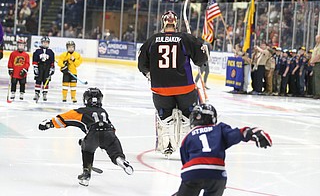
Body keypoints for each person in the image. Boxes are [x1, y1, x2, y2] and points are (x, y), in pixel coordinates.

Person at [138, 10, 208, 155]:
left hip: (160, 88)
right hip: (185, 87)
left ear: (163, 22)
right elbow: (201, 59)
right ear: (175, 23)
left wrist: (150, 74)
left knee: (165, 118)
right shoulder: (184, 38)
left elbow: (141, 64)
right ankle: (185, 147)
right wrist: (200, 48)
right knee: (187, 119)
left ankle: (166, 146)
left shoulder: (152, 40)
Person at [38, 88, 133, 186]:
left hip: (93, 134)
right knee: (115, 153)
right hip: (109, 133)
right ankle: (121, 161)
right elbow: (111, 129)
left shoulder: (81, 112)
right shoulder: (103, 111)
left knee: (87, 150)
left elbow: (62, 119)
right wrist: (102, 142)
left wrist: (48, 124)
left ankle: (86, 174)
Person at [174, 103, 272, 196]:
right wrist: (252, 132)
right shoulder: (219, 129)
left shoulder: (187, 137)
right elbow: (238, 134)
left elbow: (186, 162)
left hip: (193, 171)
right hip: (218, 173)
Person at [32, 36, 55, 102]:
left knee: (46, 80)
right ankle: (37, 93)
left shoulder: (50, 52)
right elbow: (35, 59)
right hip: (40, 67)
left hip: (47, 68)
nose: (45, 44)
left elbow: (52, 61)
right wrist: (35, 67)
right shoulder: (37, 51)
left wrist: (52, 68)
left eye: (46, 42)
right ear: (41, 43)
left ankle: (45, 93)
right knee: (38, 80)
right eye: (44, 42)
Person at [309, 35, 320, 99]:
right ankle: (315, 92)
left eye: (317, 39)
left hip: (318, 63)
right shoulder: (316, 46)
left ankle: (318, 93)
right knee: (314, 78)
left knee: (317, 79)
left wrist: (313, 61)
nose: (316, 40)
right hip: (315, 63)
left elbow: (318, 55)